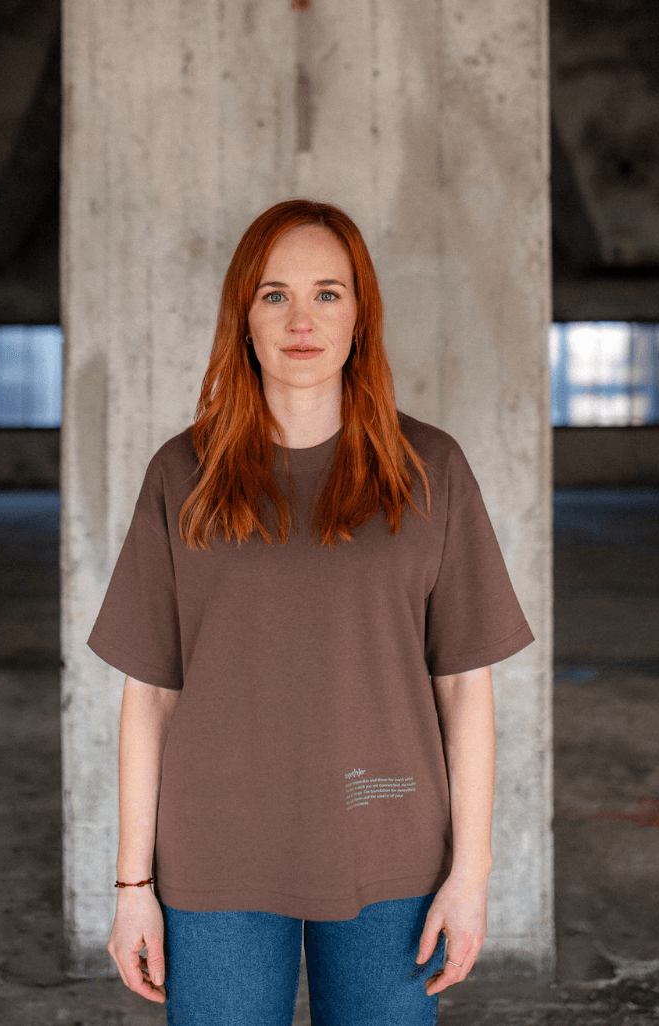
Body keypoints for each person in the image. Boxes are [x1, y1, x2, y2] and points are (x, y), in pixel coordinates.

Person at [87, 198, 534, 1026]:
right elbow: (150, 693)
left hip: (391, 845)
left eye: (328, 293)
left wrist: (470, 876)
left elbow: (466, 687)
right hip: (215, 854)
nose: (302, 319)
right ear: (243, 319)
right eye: (274, 295)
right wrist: (131, 887)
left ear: (361, 316)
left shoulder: (429, 468)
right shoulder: (180, 475)